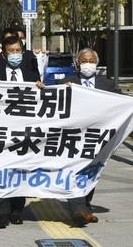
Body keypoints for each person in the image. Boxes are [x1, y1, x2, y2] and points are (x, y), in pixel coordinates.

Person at [0, 35, 44, 229]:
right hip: (0, 132)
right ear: (4, 54)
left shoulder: (33, 76)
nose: (15, 55)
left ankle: (17, 211)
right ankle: (1, 214)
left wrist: (42, 89)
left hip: (24, 133)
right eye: (11, 52)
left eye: (18, 51)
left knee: (20, 171)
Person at [57, 48, 115, 227]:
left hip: (97, 138)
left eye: (91, 61)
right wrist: (60, 91)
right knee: (74, 170)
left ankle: (85, 206)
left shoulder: (107, 85)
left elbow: (121, 105)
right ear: (77, 64)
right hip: (73, 137)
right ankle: (78, 208)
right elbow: (49, 98)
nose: (87, 64)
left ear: (96, 64)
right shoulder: (68, 83)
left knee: (91, 171)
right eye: (84, 61)